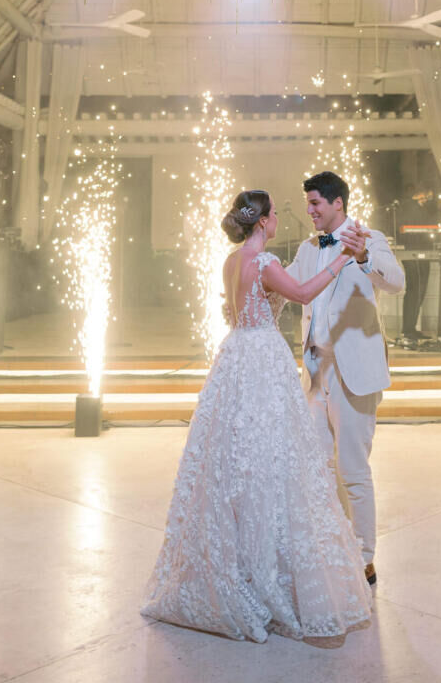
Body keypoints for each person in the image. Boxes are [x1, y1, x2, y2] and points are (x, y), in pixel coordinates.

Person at [141, 189, 372, 645]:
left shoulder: (231, 260)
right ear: (263, 221)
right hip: (263, 358)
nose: (279, 220)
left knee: (233, 460)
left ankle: (240, 568)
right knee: (274, 460)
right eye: (274, 215)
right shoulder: (264, 264)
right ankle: (266, 576)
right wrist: (343, 258)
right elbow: (304, 291)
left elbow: (237, 309)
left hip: (235, 356)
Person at [287, 171, 405, 588]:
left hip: (353, 371)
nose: (310, 210)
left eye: (316, 203)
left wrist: (361, 258)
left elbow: (396, 281)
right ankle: (332, 548)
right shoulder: (306, 247)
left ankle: (364, 559)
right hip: (316, 370)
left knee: (352, 469)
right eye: (309, 203)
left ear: (338, 203)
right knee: (318, 468)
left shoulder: (367, 238)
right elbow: (288, 284)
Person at [398, 182, 441, 348]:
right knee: (415, 289)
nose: (427, 199)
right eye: (426, 196)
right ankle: (408, 329)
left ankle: (411, 327)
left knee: (420, 290)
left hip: (423, 251)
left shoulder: (421, 208)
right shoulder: (409, 207)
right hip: (413, 253)